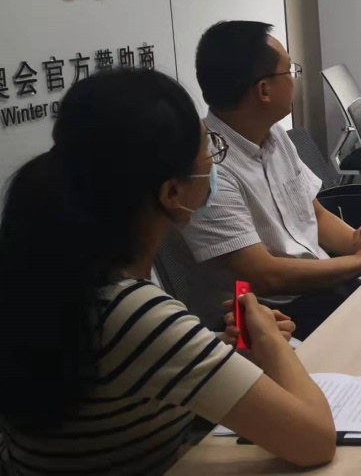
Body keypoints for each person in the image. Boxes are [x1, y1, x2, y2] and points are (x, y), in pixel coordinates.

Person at [0, 70, 336, 473]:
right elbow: (315, 441)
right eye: (209, 148)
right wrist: (268, 340)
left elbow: (136, 371)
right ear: (172, 192)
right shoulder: (132, 310)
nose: (215, 159)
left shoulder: (63, 278)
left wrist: (219, 349)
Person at [182, 21, 361, 340]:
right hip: (271, 316)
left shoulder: (274, 134)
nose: (294, 80)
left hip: (323, 285)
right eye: (289, 71)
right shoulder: (210, 166)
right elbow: (266, 277)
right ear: (264, 90)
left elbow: (314, 214)